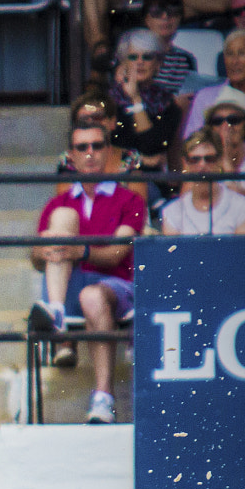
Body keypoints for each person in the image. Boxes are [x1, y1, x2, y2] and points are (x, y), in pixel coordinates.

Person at [29, 117, 146, 425]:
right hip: (69, 288)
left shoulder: (130, 199)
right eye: (83, 147)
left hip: (114, 286)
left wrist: (78, 250)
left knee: (92, 296)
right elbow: (35, 258)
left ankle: (103, 397)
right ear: (72, 156)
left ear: (109, 152)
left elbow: (118, 253)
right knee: (64, 217)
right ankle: (55, 310)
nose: (91, 153)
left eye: (97, 145)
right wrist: (48, 247)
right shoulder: (60, 202)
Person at [105, 29, 182, 177]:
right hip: (113, 177)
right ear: (123, 62)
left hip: (151, 181)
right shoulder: (108, 101)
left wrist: (135, 99)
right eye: (133, 57)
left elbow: (151, 148)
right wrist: (142, 160)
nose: (140, 62)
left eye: (147, 57)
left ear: (158, 64)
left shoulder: (167, 104)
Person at [158, 129, 245, 236]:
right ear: (185, 163)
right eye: (194, 160)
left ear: (219, 161)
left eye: (209, 159)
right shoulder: (172, 212)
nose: (202, 165)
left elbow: (243, 251)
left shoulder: (242, 208)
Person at [202, 88, 245, 223]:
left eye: (233, 120)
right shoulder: (201, 163)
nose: (226, 126)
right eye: (217, 121)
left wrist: (227, 163)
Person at [140, 0, 203, 97]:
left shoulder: (186, 59)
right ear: (147, 19)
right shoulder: (134, 56)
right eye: (157, 12)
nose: (165, 17)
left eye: (173, 11)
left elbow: (189, 98)